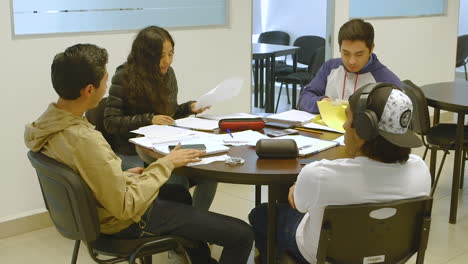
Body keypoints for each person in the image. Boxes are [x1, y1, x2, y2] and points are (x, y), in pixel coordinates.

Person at [24, 43, 253, 264]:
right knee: (242, 235)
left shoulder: (47, 127)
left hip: (100, 214)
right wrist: (166, 164)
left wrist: (124, 177)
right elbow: (125, 206)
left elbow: (90, 177)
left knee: (178, 195)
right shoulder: (83, 139)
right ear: (89, 90)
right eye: (104, 79)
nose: (107, 85)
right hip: (126, 222)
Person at [249, 82, 431, 264]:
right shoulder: (421, 170)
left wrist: (300, 187)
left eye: (348, 119)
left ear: (362, 131)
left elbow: (297, 203)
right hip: (394, 255)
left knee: (262, 214)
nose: (344, 125)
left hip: (323, 256)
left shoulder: (320, 175)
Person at [103, 25, 217, 211]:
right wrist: (149, 119)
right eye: (160, 56)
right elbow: (111, 122)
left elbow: (168, 115)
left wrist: (190, 107)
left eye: (171, 54)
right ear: (145, 56)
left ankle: (194, 225)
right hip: (132, 150)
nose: (167, 61)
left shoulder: (168, 74)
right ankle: (186, 227)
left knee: (209, 173)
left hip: (164, 145)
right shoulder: (123, 76)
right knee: (175, 179)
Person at [298, 19, 401, 114]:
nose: (352, 61)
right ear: (339, 48)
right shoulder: (330, 67)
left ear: (371, 49)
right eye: (346, 53)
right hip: (327, 130)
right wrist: (321, 102)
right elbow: (305, 97)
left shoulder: (387, 81)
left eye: (359, 54)